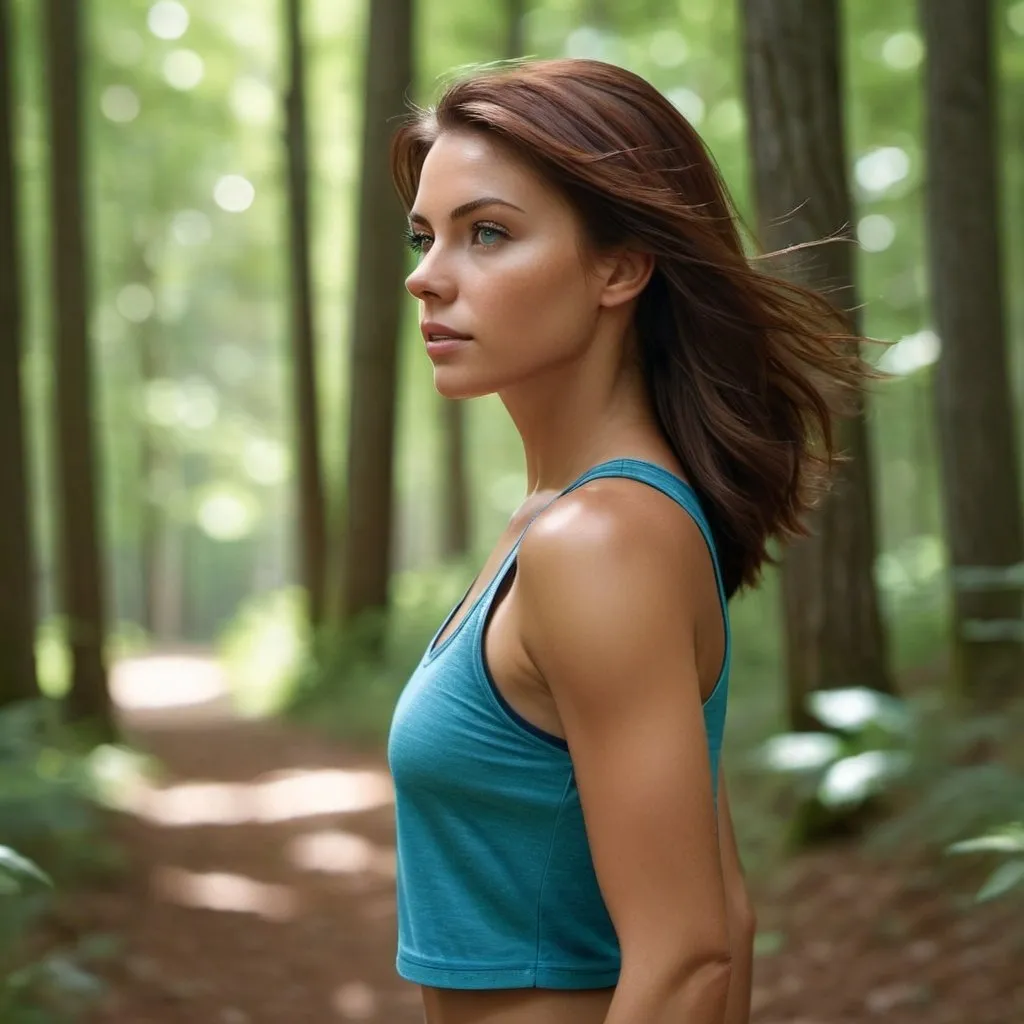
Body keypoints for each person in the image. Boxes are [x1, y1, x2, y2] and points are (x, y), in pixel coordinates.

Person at [386, 58, 868, 1024]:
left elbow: (688, 957)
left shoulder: (600, 540)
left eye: (488, 234)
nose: (426, 277)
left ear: (621, 266)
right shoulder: (561, 521)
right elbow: (723, 909)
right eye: (425, 236)